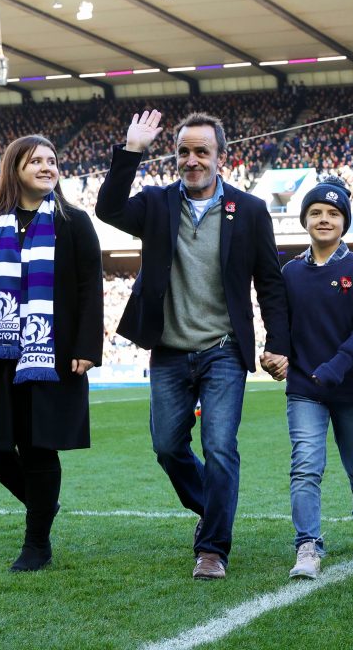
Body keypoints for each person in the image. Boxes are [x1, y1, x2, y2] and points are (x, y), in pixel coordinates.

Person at [95, 109, 290, 580]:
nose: (192, 159)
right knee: (166, 446)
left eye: (202, 151)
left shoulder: (250, 211)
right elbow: (108, 209)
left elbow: (269, 282)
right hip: (168, 350)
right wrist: (132, 150)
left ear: (221, 157)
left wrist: (278, 342)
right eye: (184, 151)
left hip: (224, 350)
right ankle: (214, 508)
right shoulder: (157, 204)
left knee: (220, 447)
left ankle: (212, 549)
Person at [0, 135, 103, 573]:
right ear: (15, 168)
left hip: (52, 352)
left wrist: (88, 347)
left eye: (52, 161)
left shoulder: (74, 221)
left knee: (38, 448)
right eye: (36, 161)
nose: (47, 167)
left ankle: (37, 544)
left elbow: (91, 286)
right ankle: (43, 504)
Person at [280, 176, 353, 580]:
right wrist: (277, 354)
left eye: (333, 213)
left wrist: (335, 368)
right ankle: (307, 545)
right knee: (305, 465)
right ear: (305, 219)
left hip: (350, 386)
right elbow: (282, 326)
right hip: (305, 388)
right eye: (316, 212)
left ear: (345, 222)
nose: (324, 219)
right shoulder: (289, 271)